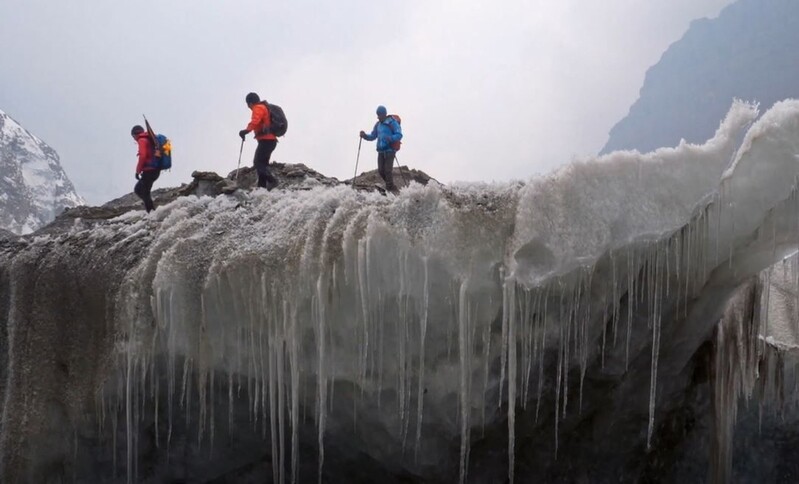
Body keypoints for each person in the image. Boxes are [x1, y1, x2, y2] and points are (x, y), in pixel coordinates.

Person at [239, 92, 279, 190]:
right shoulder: (263, 107)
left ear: (250, 103)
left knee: (257, 162)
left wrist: (246, 131)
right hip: (269, 141)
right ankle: (262, 188)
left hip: (267, 140)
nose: (248, 107)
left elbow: (255, 121)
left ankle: (272, 181)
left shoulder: (258, 108)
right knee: (262, 164)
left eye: (247, 104)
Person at [360, 105, 403, 194]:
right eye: (378, 114)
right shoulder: (378, 125)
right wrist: (364, 136)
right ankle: (390, 186)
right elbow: (373, 136)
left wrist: (390, 138)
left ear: (384, 114)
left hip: (390, 150)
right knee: (381, 170)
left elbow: (399, 134)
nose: (378, 116)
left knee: (387, 170)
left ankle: (390, 188)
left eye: (380, 114)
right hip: (380, 151)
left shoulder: (392, 122)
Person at [131, 125, 160, 213]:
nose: (134, 139)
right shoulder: (148, 139)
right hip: (155, 169)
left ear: (135, 134)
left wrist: (137, 171)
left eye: (133, 136)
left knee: (141, 191)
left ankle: (152, 213)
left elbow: (143, 156)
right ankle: (151, 209)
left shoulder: (142, 140)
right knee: (141, 190)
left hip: (149, 170)